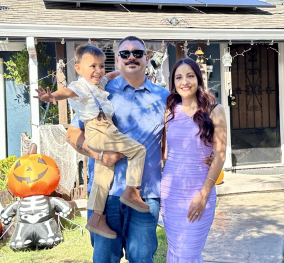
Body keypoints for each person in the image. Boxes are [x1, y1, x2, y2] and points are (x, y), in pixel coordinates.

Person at [65, 36, 214, 262]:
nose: (131, 57)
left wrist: (206, 153)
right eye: (125, 54)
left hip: (146, 196)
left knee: (142, 258)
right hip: (106, 197)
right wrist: (100, 155)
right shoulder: (99, 94)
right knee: (104, 259)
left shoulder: (165, 98)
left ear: (146, 58)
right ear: (117, 60)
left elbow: (179, 135)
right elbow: (72, 134)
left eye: (137, 53)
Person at [34, 45, 149, 240]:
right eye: (92, 66)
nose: (98, 70)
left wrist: (123, 68)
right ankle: (132, 190)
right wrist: (52, 96)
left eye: (101, 65)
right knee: (138, 150)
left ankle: (96, 216)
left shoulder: (98, 84)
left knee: (103, 174)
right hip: (99, 129)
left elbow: (110, 76)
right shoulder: (79, 86)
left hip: (101, 131)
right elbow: (67, 92)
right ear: (78, 68)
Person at [161, 58, 227, 262]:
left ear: (198, 79)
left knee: (188, 254)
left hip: (200, 189)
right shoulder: (169, 111)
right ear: (173, 82)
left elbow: (221, 155)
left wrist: (203, 195)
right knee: (174, 252)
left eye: (190, 75)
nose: (185, 81)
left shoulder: (215, 111)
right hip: (170, 193)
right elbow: (165, 153)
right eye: (179, 77)